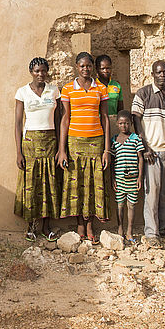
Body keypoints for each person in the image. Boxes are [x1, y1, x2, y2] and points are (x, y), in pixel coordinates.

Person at [57, 52, 110, 243]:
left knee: (93, 184)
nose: (85, 69)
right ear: (76, 67)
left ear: (92, 67)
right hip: (75, 142)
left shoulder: (101, 89)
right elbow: (65, 118)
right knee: (76, 183)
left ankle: (90, 225)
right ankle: (79, 223)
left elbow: (104, 118)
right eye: (82, 66)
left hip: (95, 142)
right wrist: (62, 149)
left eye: (89, 66)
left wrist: (106, 149)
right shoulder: (68, 89)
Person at [131, 60, 165, 248]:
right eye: (158, 72)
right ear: (152, 74)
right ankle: (151, 233)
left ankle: (162, 228)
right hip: (151, 152)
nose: (162, 75)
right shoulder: (143, 94)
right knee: (151, 194)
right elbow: (136, 121)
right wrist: (144, 147)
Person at [14, 57, 62, 242]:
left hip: (50, 142)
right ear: (31, 72)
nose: (40, 74)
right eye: (37, 71)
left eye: (43, 71)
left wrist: (60, 147)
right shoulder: (23, 92)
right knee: (31, 185)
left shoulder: (53, 90)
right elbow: (18, 123)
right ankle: (31, 227)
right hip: (30, 144)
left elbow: (58, 120)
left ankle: (46, 227)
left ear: (47, 72)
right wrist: (18, 152)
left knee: (49, 183)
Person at [110, 109, 143, 244]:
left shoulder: (136, 139)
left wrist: (140, 177)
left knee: (131, 205)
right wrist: (113, 178)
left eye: (127, 123)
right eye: (121, 123)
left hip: (133, 179)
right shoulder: (114, 140)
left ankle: (129, 230)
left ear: (131, 124)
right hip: (119, 179)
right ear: (117, 124)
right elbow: (112, 161)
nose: (124, 126)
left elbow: (140, 159)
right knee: (120, 205)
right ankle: (120, 228)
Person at [95, 54, 123, 134]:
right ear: (97, 69)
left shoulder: (116, 85)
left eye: (108, 68)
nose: (105, 71)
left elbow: (120, 108)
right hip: (98, 121)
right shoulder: (94, 85)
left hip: (113, 121)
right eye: (102, 68)